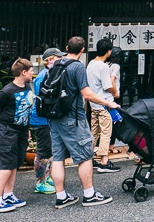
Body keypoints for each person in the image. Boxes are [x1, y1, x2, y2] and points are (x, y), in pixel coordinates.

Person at [50, 36, 119, 208]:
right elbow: (87, 94)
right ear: (82, 50)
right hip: (73, 118)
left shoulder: (56, 64)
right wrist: (107, 102)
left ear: (66, 47)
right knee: (85, 156)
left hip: (55, 117)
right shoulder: (77, 67)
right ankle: (89, 195)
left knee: (58, 158)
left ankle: (61, 196)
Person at [0, 58, 34, 213]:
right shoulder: (7, 91)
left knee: (14, 163)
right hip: (7, 130)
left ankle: (8, 194)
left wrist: (26, 128)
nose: (33, 72)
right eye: (31, 70)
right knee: (6, 164)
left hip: (21, 130)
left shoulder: (27, 86)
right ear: (24, 72)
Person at [30, 48, 65, 194]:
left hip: (46, 118)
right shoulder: (44, 76)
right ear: (50, 59)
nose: (61, 60)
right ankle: (40, 182)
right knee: (43, 152)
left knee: (49, 151)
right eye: (58, 57)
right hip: (41, 119)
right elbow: (42, 99)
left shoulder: (48, 73)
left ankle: (47, 176)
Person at [85, 38, 120, 173]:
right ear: (108, 51)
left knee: (94, 132)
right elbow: (107, 86)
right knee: (106, 132)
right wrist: (115, 92)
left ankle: (90, 157)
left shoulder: (91, 64)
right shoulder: (103, 66)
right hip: (104, 103)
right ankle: (104, 161)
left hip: (94, 103)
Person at [106, 47, 122, 154]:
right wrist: (116, 93)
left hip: (105, 98)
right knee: (115, 122)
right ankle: (111, 146)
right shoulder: (116, 66)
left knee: (107, 123)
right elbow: (113, 80)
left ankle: (106, 146)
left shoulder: (106, 65)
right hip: (113, 98)